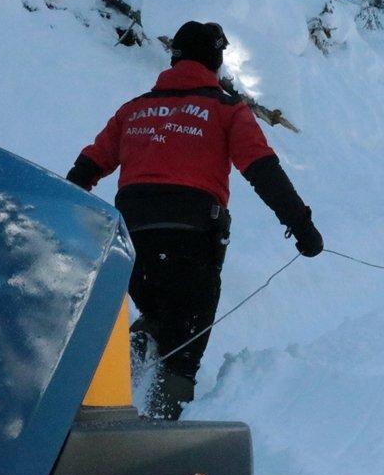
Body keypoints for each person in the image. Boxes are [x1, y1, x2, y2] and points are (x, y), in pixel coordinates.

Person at [66, 21, 323, 419]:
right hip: (193, 239)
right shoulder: (225, 109)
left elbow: (87, 167)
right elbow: (262, 169)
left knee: (156, 313)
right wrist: (301, 224)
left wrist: (64, 217)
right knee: (183, 348)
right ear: (215, 62)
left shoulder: (134, 110)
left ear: (176, 59)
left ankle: (102, 398)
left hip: (131, 239)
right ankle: (158, 439)